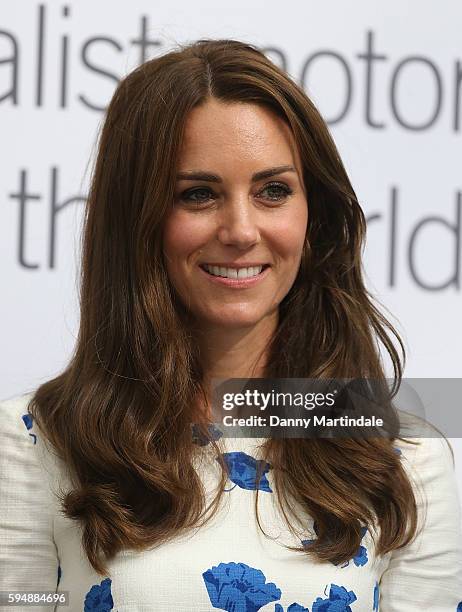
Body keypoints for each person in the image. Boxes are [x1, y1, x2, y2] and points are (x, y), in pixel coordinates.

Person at [1, 38, 461, 612]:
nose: (241, 230)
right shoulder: (31, 441)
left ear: (313, 216)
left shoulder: (404, 462)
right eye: (198, 194)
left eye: (274, 191)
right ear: (137, 220)